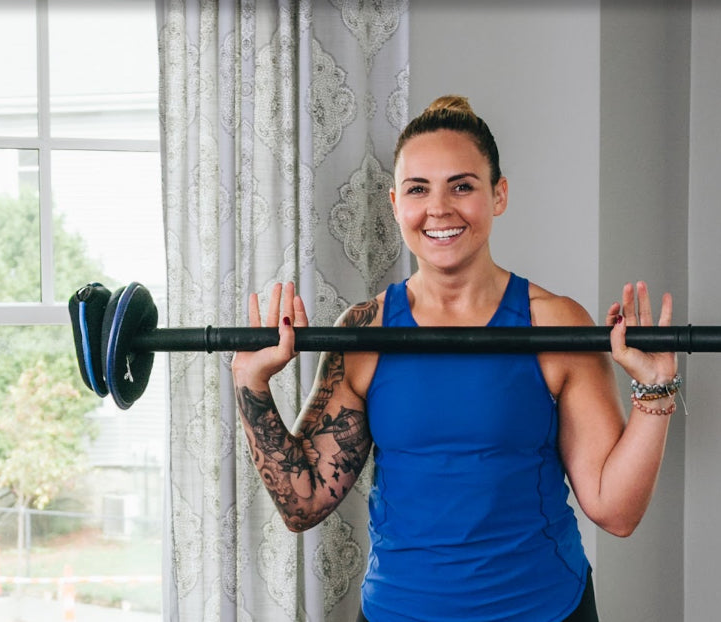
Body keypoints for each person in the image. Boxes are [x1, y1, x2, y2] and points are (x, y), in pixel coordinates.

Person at [231, 95, 679, 622]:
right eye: (419, 190)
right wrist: (250, 381)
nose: (439, 209)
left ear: (498, 195)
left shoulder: (555, 324)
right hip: (401, 611)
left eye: (462, 186)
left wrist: (655, 389)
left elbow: (616, 511)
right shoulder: (364, 331)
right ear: (396, 203)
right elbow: (302, 502)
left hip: (543, 608)